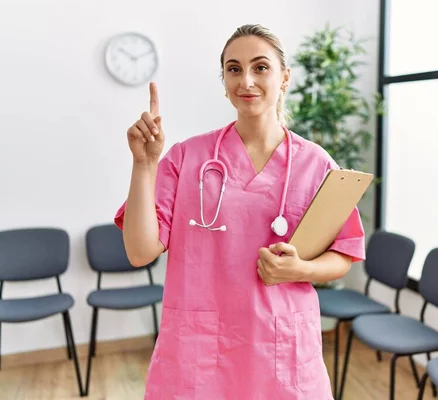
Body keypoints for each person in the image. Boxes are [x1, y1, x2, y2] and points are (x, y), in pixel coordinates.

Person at [115, 24, 366, 400]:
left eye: (261, 67)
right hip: (200, 350)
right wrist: (145, 164)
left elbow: (345, 253)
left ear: (284, 77)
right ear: (225, 80)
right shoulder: (188, 158)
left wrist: (303, 270)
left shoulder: (317, 164)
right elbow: (139, 252)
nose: (246, 80)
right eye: (234, 69)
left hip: (281, 347)